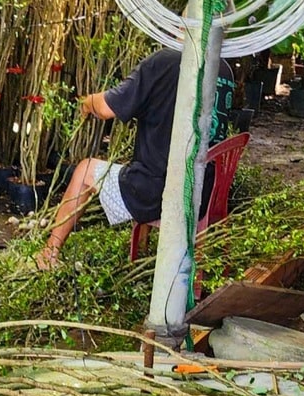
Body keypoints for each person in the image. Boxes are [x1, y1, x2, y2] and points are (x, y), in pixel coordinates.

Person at [36, 48, 236, 269]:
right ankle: (141, 249)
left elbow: (105, 108)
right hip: (205, 192)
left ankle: (49, 253)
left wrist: (87, 102)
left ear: (181, 26)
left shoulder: (165, 61)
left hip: (159, 193)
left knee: (84, 170)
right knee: (150, 160)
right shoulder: (224, 69)